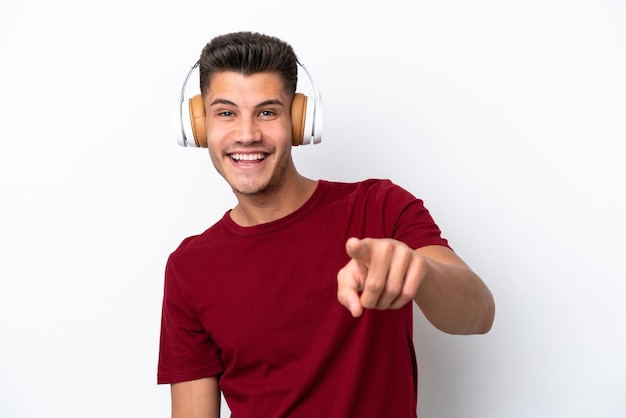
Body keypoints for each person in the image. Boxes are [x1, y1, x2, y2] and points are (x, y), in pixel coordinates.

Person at [158, 31, 495, 418]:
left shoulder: (380, 207)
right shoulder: (189, 268)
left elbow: (480, 314)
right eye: (226, 113)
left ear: (300, 121)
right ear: (199, 126)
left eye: (267, 112)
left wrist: (418, 271)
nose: (247, 134)